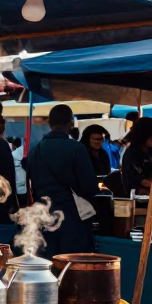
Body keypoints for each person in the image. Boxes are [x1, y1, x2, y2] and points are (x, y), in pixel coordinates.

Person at [27, 104, 98, 256]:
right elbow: (89, 187)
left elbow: (31, 187)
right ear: (70, 123)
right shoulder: (76, 148)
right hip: (72, 222)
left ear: (49, 124)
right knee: (72, 270)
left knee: (48, 268)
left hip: (44, 219)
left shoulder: (35, 150)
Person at [120, 117, 152, 195]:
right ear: (144, 134)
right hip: (139, 199)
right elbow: (141, 181)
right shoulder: (132, 153)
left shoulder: (151, 151)